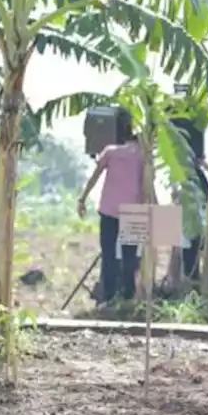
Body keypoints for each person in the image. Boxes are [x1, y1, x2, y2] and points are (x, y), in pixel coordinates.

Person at [77, 108, 143, 303]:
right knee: (130, 256)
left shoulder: (110, 153)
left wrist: (82, 199)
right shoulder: (142, 155)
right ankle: (128, 295)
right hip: (134, 211)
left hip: (109, 209)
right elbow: (147, 182)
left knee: (108, 255)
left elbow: (94, 178)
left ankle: (108, 296)